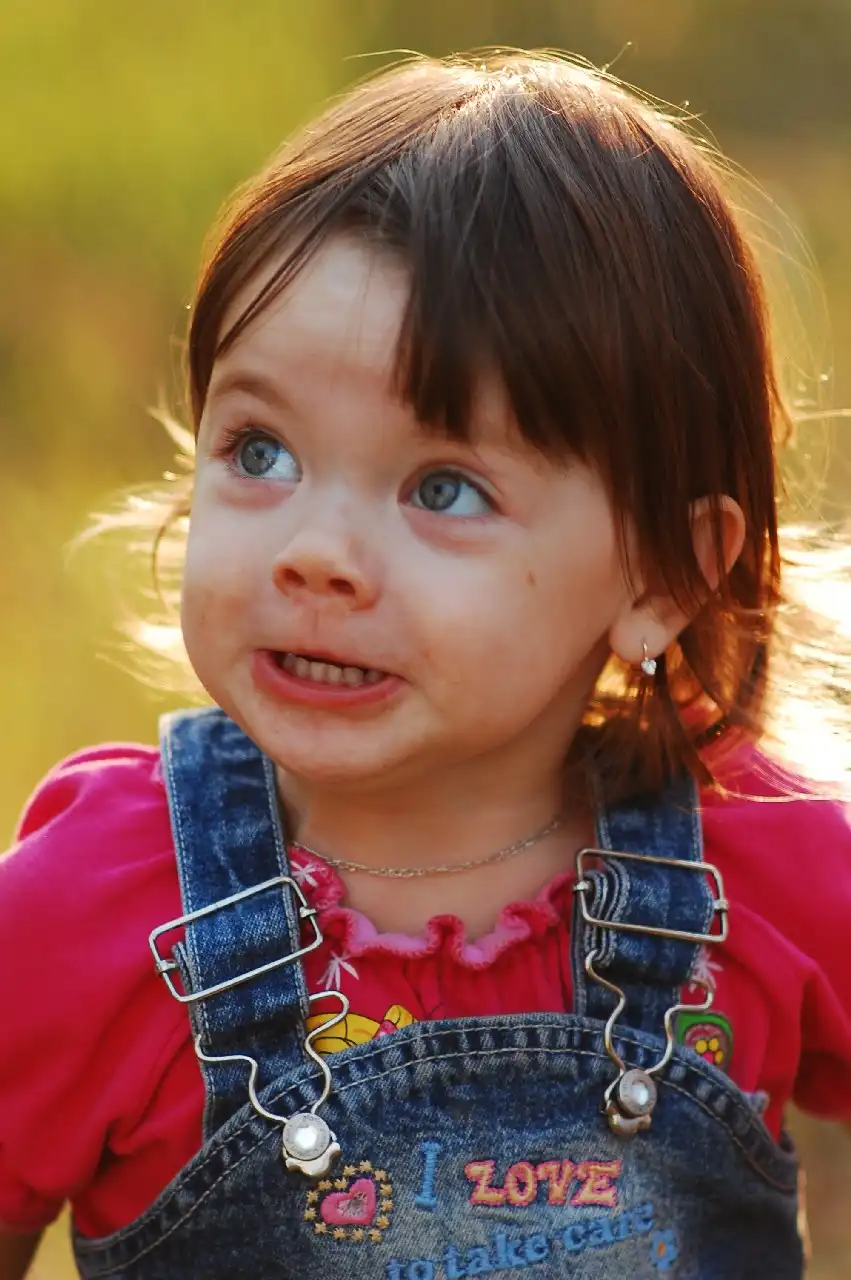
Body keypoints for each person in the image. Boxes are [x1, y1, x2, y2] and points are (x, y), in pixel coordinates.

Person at [1, 49, 850, 1280]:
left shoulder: (761, 868)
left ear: (661, 575)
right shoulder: (91, 916)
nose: (315, 553)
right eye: (260, 450)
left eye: (442, 487)